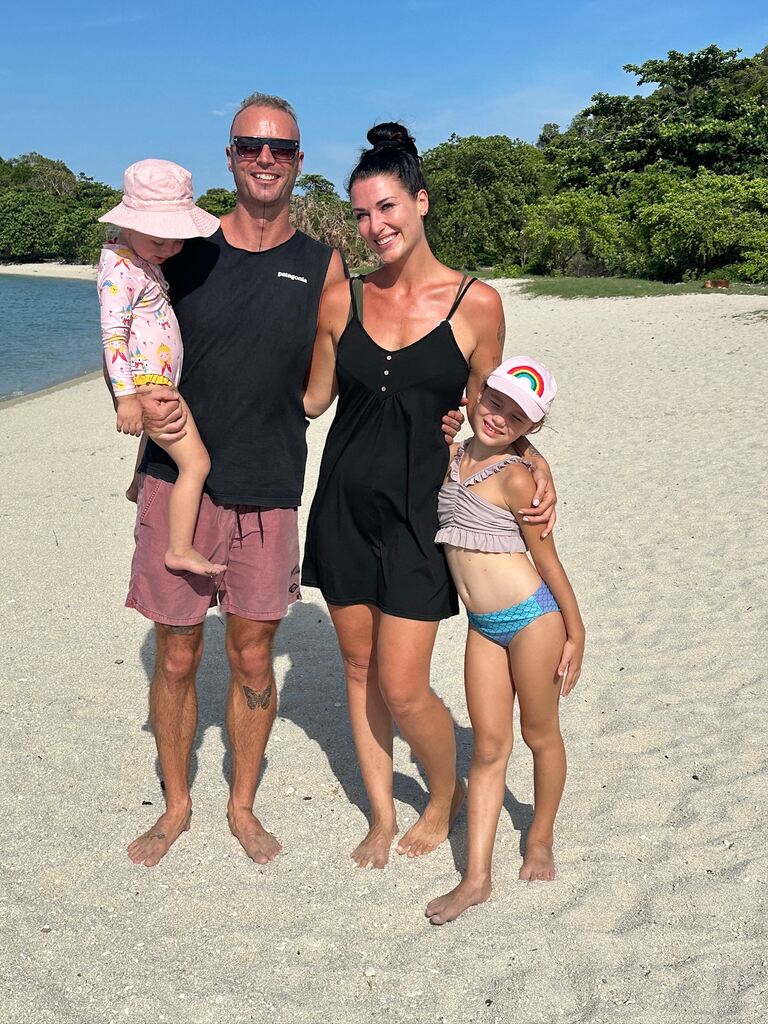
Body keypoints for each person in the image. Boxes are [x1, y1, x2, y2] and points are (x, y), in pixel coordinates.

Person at [302, 124, 558, 869]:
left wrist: (537, 461)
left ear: (420, 202)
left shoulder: (476, 305)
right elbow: (310, 399)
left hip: (424, 517)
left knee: (404, 685)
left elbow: (495, 416)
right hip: (343, 509)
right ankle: (383, 814)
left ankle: (442, 797)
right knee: (358, 670)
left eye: (386, 208)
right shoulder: (341, 300)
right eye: (359, 214)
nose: (372, 227)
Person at [122, 93, 349, 867]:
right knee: (177, 653)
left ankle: (241, 804)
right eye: (249, 145)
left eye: (279, 148)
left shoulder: (323, 264)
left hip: (271, 485)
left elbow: (352, 366)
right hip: (175, 483)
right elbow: (126, 327)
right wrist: (131, 401)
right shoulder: (183, 250)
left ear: (298, 161)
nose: (264, 158)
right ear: (228, 155)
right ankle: (177, 805)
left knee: (254, 658)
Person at [425, 357, 585, 925]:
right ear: (478, 395)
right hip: (483, 628)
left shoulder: (519, 477)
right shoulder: (448, 453)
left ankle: (539, 835)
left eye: (517, 417)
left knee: (540, 733)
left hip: (534, 619)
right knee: (489, 748)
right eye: (494, 403)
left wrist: (577, 631)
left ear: (530, 429)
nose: (498, 418)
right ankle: (476, 878)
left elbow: (548, 560)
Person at [98, 159, 226, 578]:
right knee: (197, 465)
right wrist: (126, 398)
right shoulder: (119, 269)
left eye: (177, 241)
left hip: (158, 382)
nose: (170, 249)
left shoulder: (141, 261)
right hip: (151, 386)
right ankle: (180, 548)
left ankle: (138, 482)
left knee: (163, 450)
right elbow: (114, 337)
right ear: (130, 225)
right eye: (160, 239)